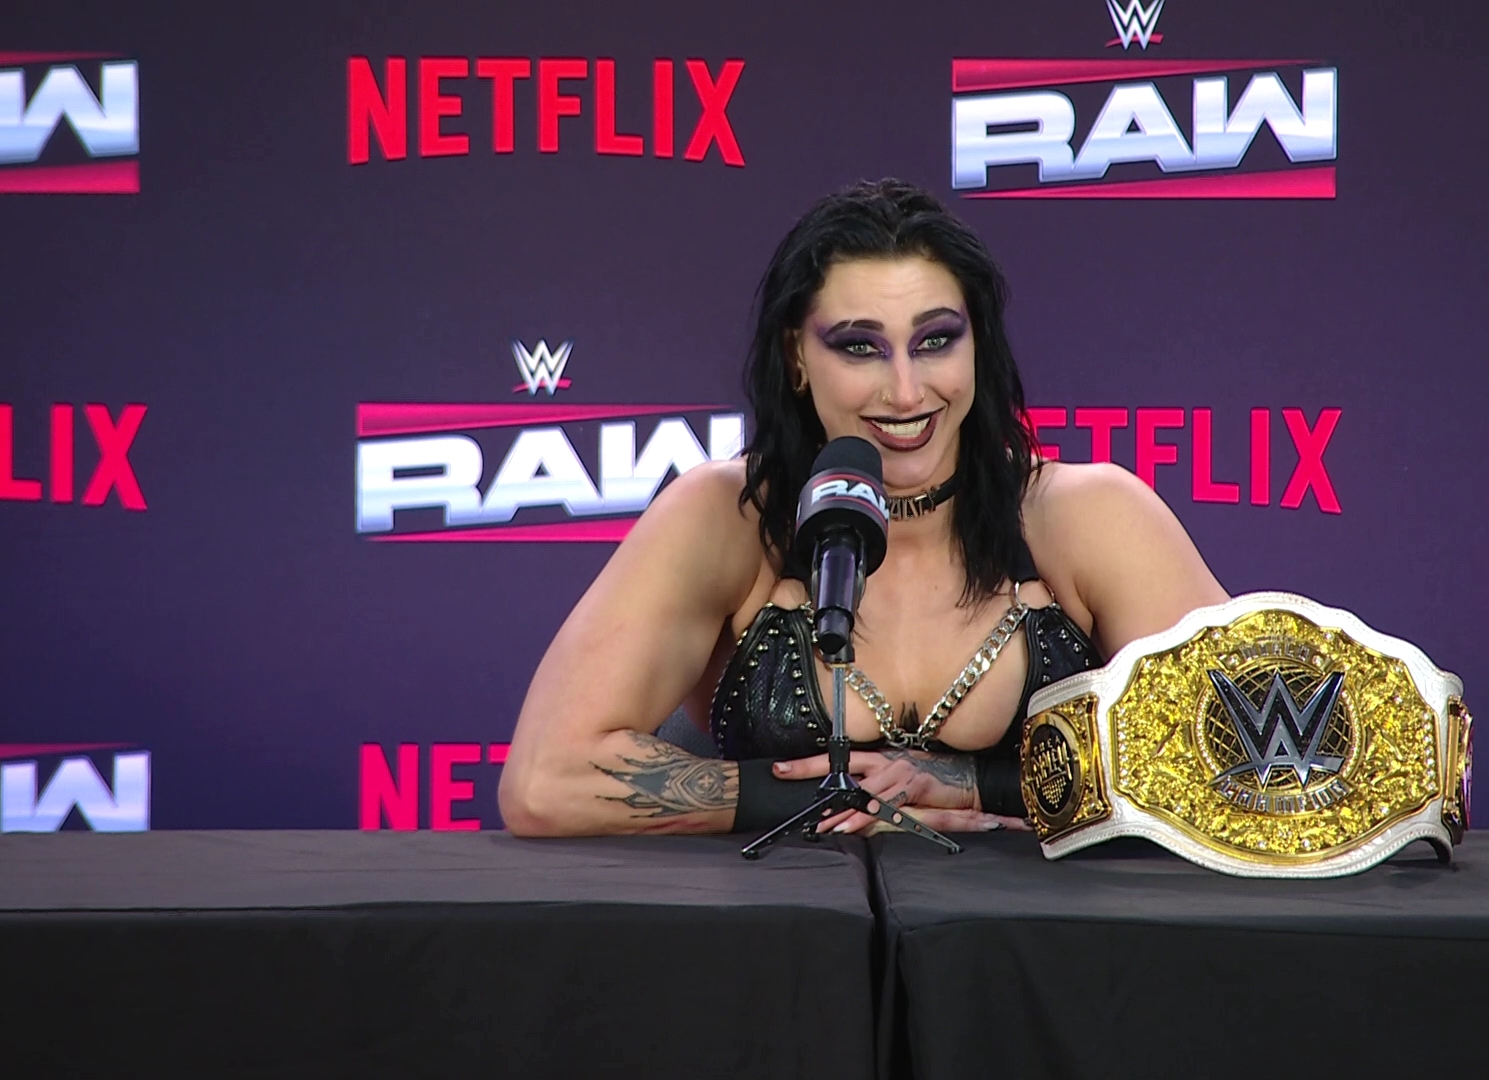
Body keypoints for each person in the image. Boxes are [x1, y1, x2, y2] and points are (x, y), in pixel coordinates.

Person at [499, 179, 1227, 838]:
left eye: (936, 341)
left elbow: (1251, 761)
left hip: (1042, 937)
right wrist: (825, 797)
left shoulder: (1085, 515)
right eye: (860, 348)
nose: (906, 392)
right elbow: (544, 780)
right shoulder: (726, 515)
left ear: (977, 346)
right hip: (785, 935)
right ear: (797, 357)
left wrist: (977, 784)